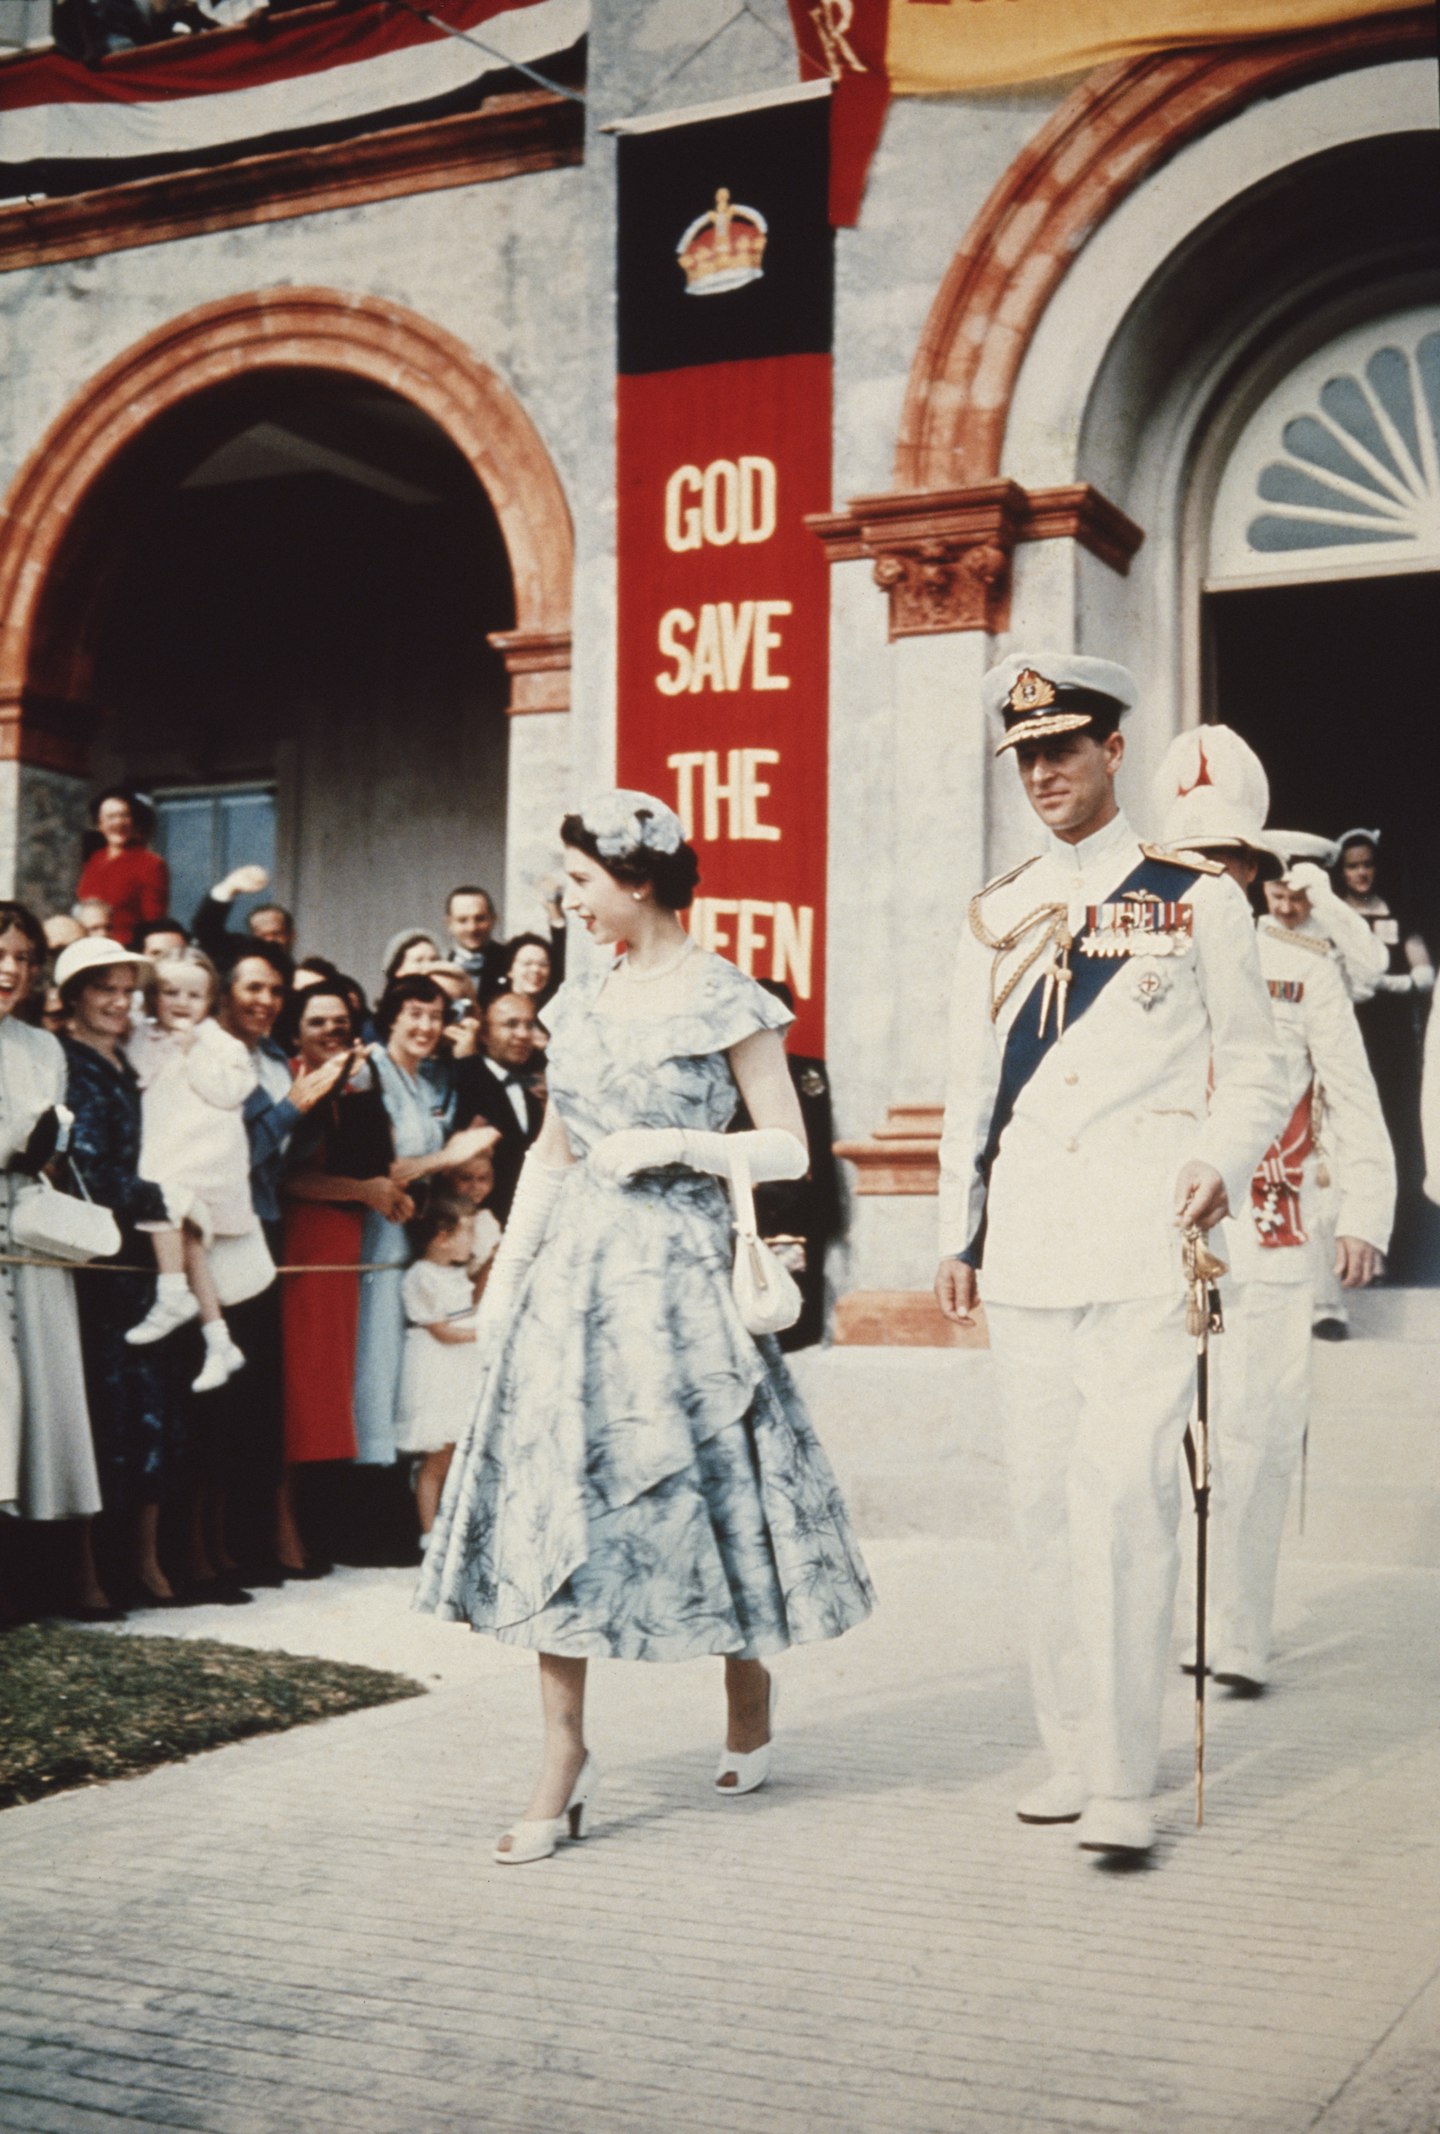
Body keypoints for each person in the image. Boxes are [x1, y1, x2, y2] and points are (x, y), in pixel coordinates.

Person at [417, 790, 874, 1866]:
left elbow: (789, 1152)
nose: (564, 899)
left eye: (579, 881)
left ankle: (746, 1687)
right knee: (558, 1506)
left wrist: (680, 1145)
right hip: (574, 1283)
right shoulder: (575, 1005)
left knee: (709, 1490)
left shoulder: (729, 998)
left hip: (682, 1285)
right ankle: (563, 1757)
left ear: (637, 880)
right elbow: (550, 1154)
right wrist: (507, 1280)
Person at [934, 661, 1284, 1859]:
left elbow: (1259, 1064)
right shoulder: (996, 910)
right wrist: (955, 1232)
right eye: (1026, 756)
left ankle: (1128, 1777)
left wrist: (1221, 1162)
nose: (1044, 774)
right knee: (1041, 1502)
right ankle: (1074, 1745)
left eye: (1065, 749)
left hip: (1146, 1236)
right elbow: (972, 1093)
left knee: (1125, 1496)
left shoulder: (1197, 898)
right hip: (1029, 1241)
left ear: (1115, 749)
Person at [1156, 728, 1394, 1695]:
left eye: (1227, 859)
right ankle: (1167, 1616)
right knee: (1162, 1434)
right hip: (1158, 1232)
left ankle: (1235, 1631)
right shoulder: (1137, 961)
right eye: (1192, 859)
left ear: (1253, 869)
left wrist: (1365, 1212)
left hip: (1272, 1225)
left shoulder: (1300, 966)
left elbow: (1352, 1092)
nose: (1212, 874)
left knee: (1257, 1430)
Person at [57, 936, 188, 1609]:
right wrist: (164, 1196)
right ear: (74, 995)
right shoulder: (70, 1065)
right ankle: (85, 1575)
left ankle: (144, 1564)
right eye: (102, 987)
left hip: (145, 1265)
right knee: (95, 1415)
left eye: (124, 988)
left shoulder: (132, 1058)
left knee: (148, 1416)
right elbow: (90, 1172)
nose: (117, 1001)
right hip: (94, 1260)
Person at [278, 985, 406, 1575]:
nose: (331, 1029)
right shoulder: (294, 1083)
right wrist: (364, 1191)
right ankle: (285, 1533)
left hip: (346, 1251)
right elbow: (291, 1178)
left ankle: (319, 1528)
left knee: (331, 1391)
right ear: (297, 1029)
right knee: (302, 1390)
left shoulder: (354, 1086)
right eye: (317, 1020)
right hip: (304, 1248)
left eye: (341, 1021)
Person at [0, 906, 105, 1611]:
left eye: (24, 957)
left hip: (28, 1231)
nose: (10, 969)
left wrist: (47, 1151)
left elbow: (55, 1143)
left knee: (33, 1398)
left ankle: (23, 1579)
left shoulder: (43, 1047)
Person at [352, 975, 495, 1474]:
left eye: (435, 1015)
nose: (426, 1025)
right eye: (414, 1013)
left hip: (411, 1241)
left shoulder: (425, 1081)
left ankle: (404, 1482)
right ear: (391, 1015)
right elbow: (376, 1169)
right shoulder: (369, 1071)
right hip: (378, 1239)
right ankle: (367, 1476)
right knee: (376, 1358)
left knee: (410, 1368)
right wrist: (448, 1154)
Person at [123, 948, 257, 1394]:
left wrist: (191, 1051)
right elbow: (137, 1074)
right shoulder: (141, 1036)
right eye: (170, 992)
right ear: (152, 996)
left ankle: (170, 1294)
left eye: (194, 994)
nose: (182, 1002)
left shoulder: (221, 1042)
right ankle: (219, 1340)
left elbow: (231, 1091)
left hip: (204, 1156)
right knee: (191, 1242)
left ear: (211, 1000)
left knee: (165, 1207)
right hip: (168, 1150)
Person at [1332, 830, 1434, 1280]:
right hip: (1347, 1038)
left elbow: (1425, 972)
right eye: (1352, 866)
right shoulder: (1333, 916)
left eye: (1366, 864)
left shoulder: (1395, 913)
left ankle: (1404, 1247)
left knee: (1398, 1134)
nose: (1361, 873)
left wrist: (1395, 983)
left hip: (1391, 1045)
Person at [396, 1192, 498, 1538]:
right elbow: (442, 1331)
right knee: (437, 1454)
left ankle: (452, 1527)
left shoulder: (455, 1273)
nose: (472, 1242)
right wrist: (485, 1334)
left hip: (458, 1370)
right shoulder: (422, 1276)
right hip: (438, 1369)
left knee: (456, 1451)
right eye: (467, 1233)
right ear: (441, 1237)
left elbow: (467, 1308)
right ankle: (429, 1532)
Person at [452, 992, 544, 1223]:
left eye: (529, 1025)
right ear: (484, 1034)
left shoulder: (530, 1095)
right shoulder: (463, 1078)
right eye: (511, 1024)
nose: (523, 1034)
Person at [75, 788, 169, 950]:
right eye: (111, 817)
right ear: (99, 824)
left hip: (126, 949)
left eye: (124, 815)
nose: (118, 822)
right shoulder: (95, 859)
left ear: (134, 822)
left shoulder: (150, 863)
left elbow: (154, 922)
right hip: (88, 946)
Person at [192, 865, 296, 969]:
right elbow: (206, 928)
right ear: (251, 936)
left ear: (291, 935)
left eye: (276, 934)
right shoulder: (236, 958)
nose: (269, 940)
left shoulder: (299, 974)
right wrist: (228, 888)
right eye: (262, 935)